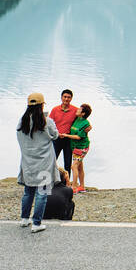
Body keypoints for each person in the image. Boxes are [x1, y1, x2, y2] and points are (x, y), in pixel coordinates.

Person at [17, 92, 59, 233]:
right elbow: (55, 135)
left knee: (28, 191)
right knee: (42, 193)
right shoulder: (47, 121)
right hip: (45, 164)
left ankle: (24, 219)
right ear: (42, 105)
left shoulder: (22, 121)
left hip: (28, 163)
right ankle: (36, 223)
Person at [49, 89, 79, 177]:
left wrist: (87, 128)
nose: (66, 99)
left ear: (71, 99)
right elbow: (49, 124)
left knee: (68, 162)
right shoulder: (55, 109)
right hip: (56, 138)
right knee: (51, 161)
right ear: (61, 97)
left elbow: (82, 121)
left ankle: (67, 184)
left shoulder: (75, 110)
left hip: (68, 140)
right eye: (65, 97)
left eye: (69, 97)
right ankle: (50, 180)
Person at [69, 104, 92, 193]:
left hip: (82, 147)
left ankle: (74, 187)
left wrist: (66, 135)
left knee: (74, 166)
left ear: (83, 113)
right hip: (75, 147)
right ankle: (82, 186)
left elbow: (78, 137)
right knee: (79, 166)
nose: (77, 110)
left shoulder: (85, 123)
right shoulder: (77, 119)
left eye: (79, 109)